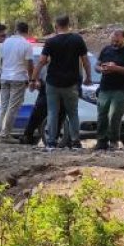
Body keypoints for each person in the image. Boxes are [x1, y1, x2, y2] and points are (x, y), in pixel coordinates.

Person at [31, 16, 91, 151]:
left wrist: (33, 79)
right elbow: (85, 60)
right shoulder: (77, 39)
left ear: (56, 25)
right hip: (71, 83)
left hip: (53, 83)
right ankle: (75, 142)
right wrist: (88, 77)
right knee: (73, 112)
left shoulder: (51, 42)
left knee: (52, 112)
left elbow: (41, 61)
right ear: (68, 24)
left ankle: (51, 142)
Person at [93, 29, 124, 150]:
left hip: (122, 89)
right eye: (112, 40)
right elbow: (96, 66)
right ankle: (101, 141)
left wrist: (116, 68)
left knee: (114, 115)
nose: (114, 42)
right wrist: (102, 69)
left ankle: (113, 141)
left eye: (117, 40)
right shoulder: (106, 50)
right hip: (105, 87)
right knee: (102, 114)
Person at [0, 22, 34, 143]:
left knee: (3, 107)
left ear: (15, 30)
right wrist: (31, 78)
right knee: (13, 107)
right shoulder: (26, 44)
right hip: (18, 78)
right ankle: (5, 135)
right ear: (26, 32)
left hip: (5, 77)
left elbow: (1, 60)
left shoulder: (5, 42)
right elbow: (29, 64)